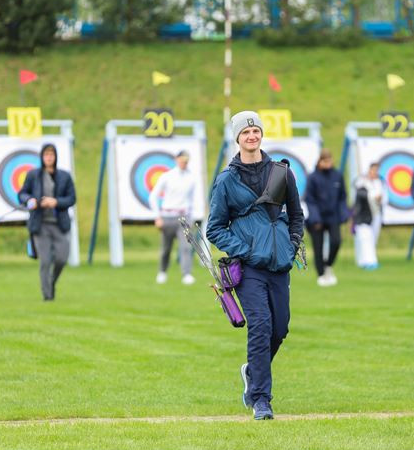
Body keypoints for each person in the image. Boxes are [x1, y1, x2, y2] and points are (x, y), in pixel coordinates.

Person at [206, 110, 304, 421]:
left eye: (256, 131)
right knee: (260, 327)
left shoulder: (282, 173)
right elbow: (215, 228)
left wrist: (291, 244)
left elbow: (297, 216)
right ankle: (261, 399)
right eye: (246, 133)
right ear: (237, 138)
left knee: (280, 328)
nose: (252, 136)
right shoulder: (226, 181)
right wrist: (244, 250)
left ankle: (251, 370)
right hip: (248, 268)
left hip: (279, 263)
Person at [18, 143, 76, 301]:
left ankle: (50, 283)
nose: (49, 157)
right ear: (42, 157)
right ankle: (47, 296)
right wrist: (30, 200)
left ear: (55, 157)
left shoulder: (65, 176)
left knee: (62, 258)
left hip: (59, 223)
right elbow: (22, 194)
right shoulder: (33, 175)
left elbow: (72, 198)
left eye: (52, 155)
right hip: (40, 223)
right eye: (46, 155)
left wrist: (56, 202)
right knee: (45, 260)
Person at [149, 150, 196, 285]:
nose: (184, 163)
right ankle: (162, 272)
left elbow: (191, 200)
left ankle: (186, 274)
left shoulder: (191, 177)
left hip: (184, 216)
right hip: (167, 216)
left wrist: (191, 218)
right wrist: (157, 216)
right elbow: (153, 196)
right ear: (176, 160)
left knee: (186, 247)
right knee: (166, 248)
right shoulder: (167, 176)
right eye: (182, 160)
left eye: (186, 161)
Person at [304, 149, 348, 286]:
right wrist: (316, 219)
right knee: (318, 247)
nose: (328, 163)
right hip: (316, 219)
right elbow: (309, 199)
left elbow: (342, 197)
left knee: (336, 241)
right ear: (320, 161)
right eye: (325, 161)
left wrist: (344, 214)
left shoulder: (337, 176)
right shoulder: (312, 177)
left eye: (330, 160)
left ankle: (328, 265)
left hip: (333, 216)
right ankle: (321, 275)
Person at [351, 162, 387, 270]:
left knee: (372, 239)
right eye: (373, 170)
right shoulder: (361, 182)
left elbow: (384, 198)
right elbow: (361, 194)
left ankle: (365, 261)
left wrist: (380, 199)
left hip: (376, 214)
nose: (375, 173)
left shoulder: (380, 183)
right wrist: (374, 197)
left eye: (377, 171)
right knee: (366, 238)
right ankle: (370, 262)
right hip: (363, 215)